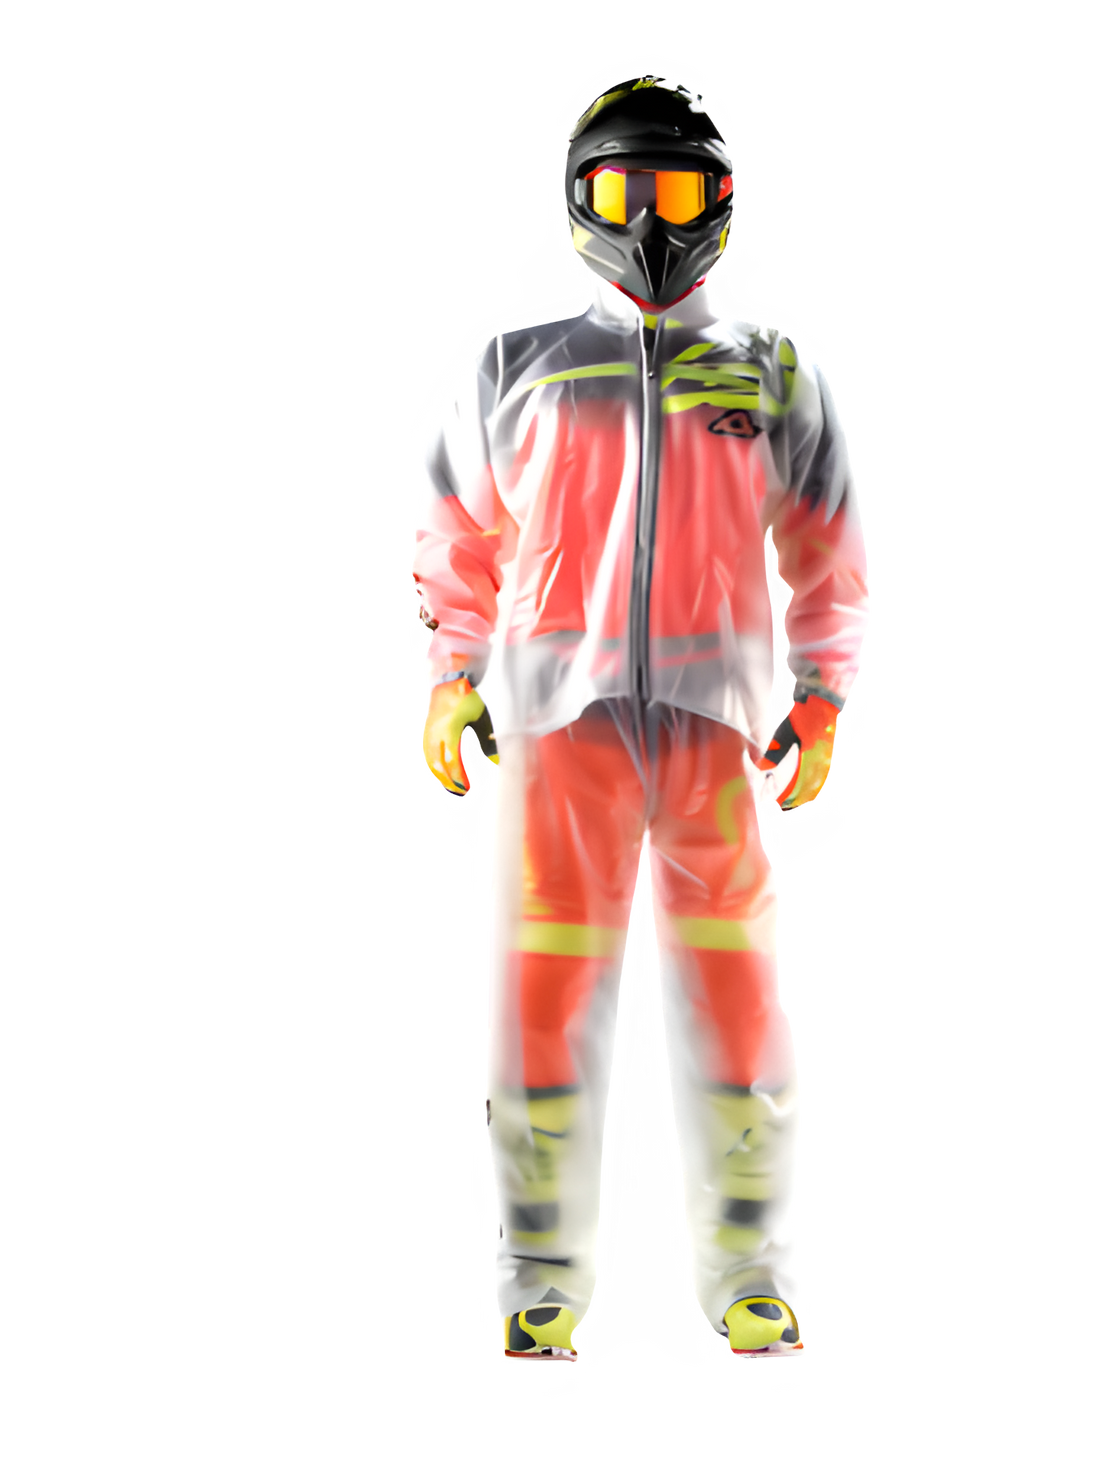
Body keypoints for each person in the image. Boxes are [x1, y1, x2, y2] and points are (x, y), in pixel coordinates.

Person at [410, 73, 873, 1365]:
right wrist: (451, 675)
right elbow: (454, 536)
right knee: (542, 1003)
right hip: (556, 729)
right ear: (579, 203)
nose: (651, 222)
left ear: (720, 201)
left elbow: (827, 550)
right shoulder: (518, 368)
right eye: (623, 193)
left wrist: (821, 696)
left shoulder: (771, 371)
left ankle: (754, 1280)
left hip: (716, 731)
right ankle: (539, 1285)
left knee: (734, 1003)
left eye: (674, 192)